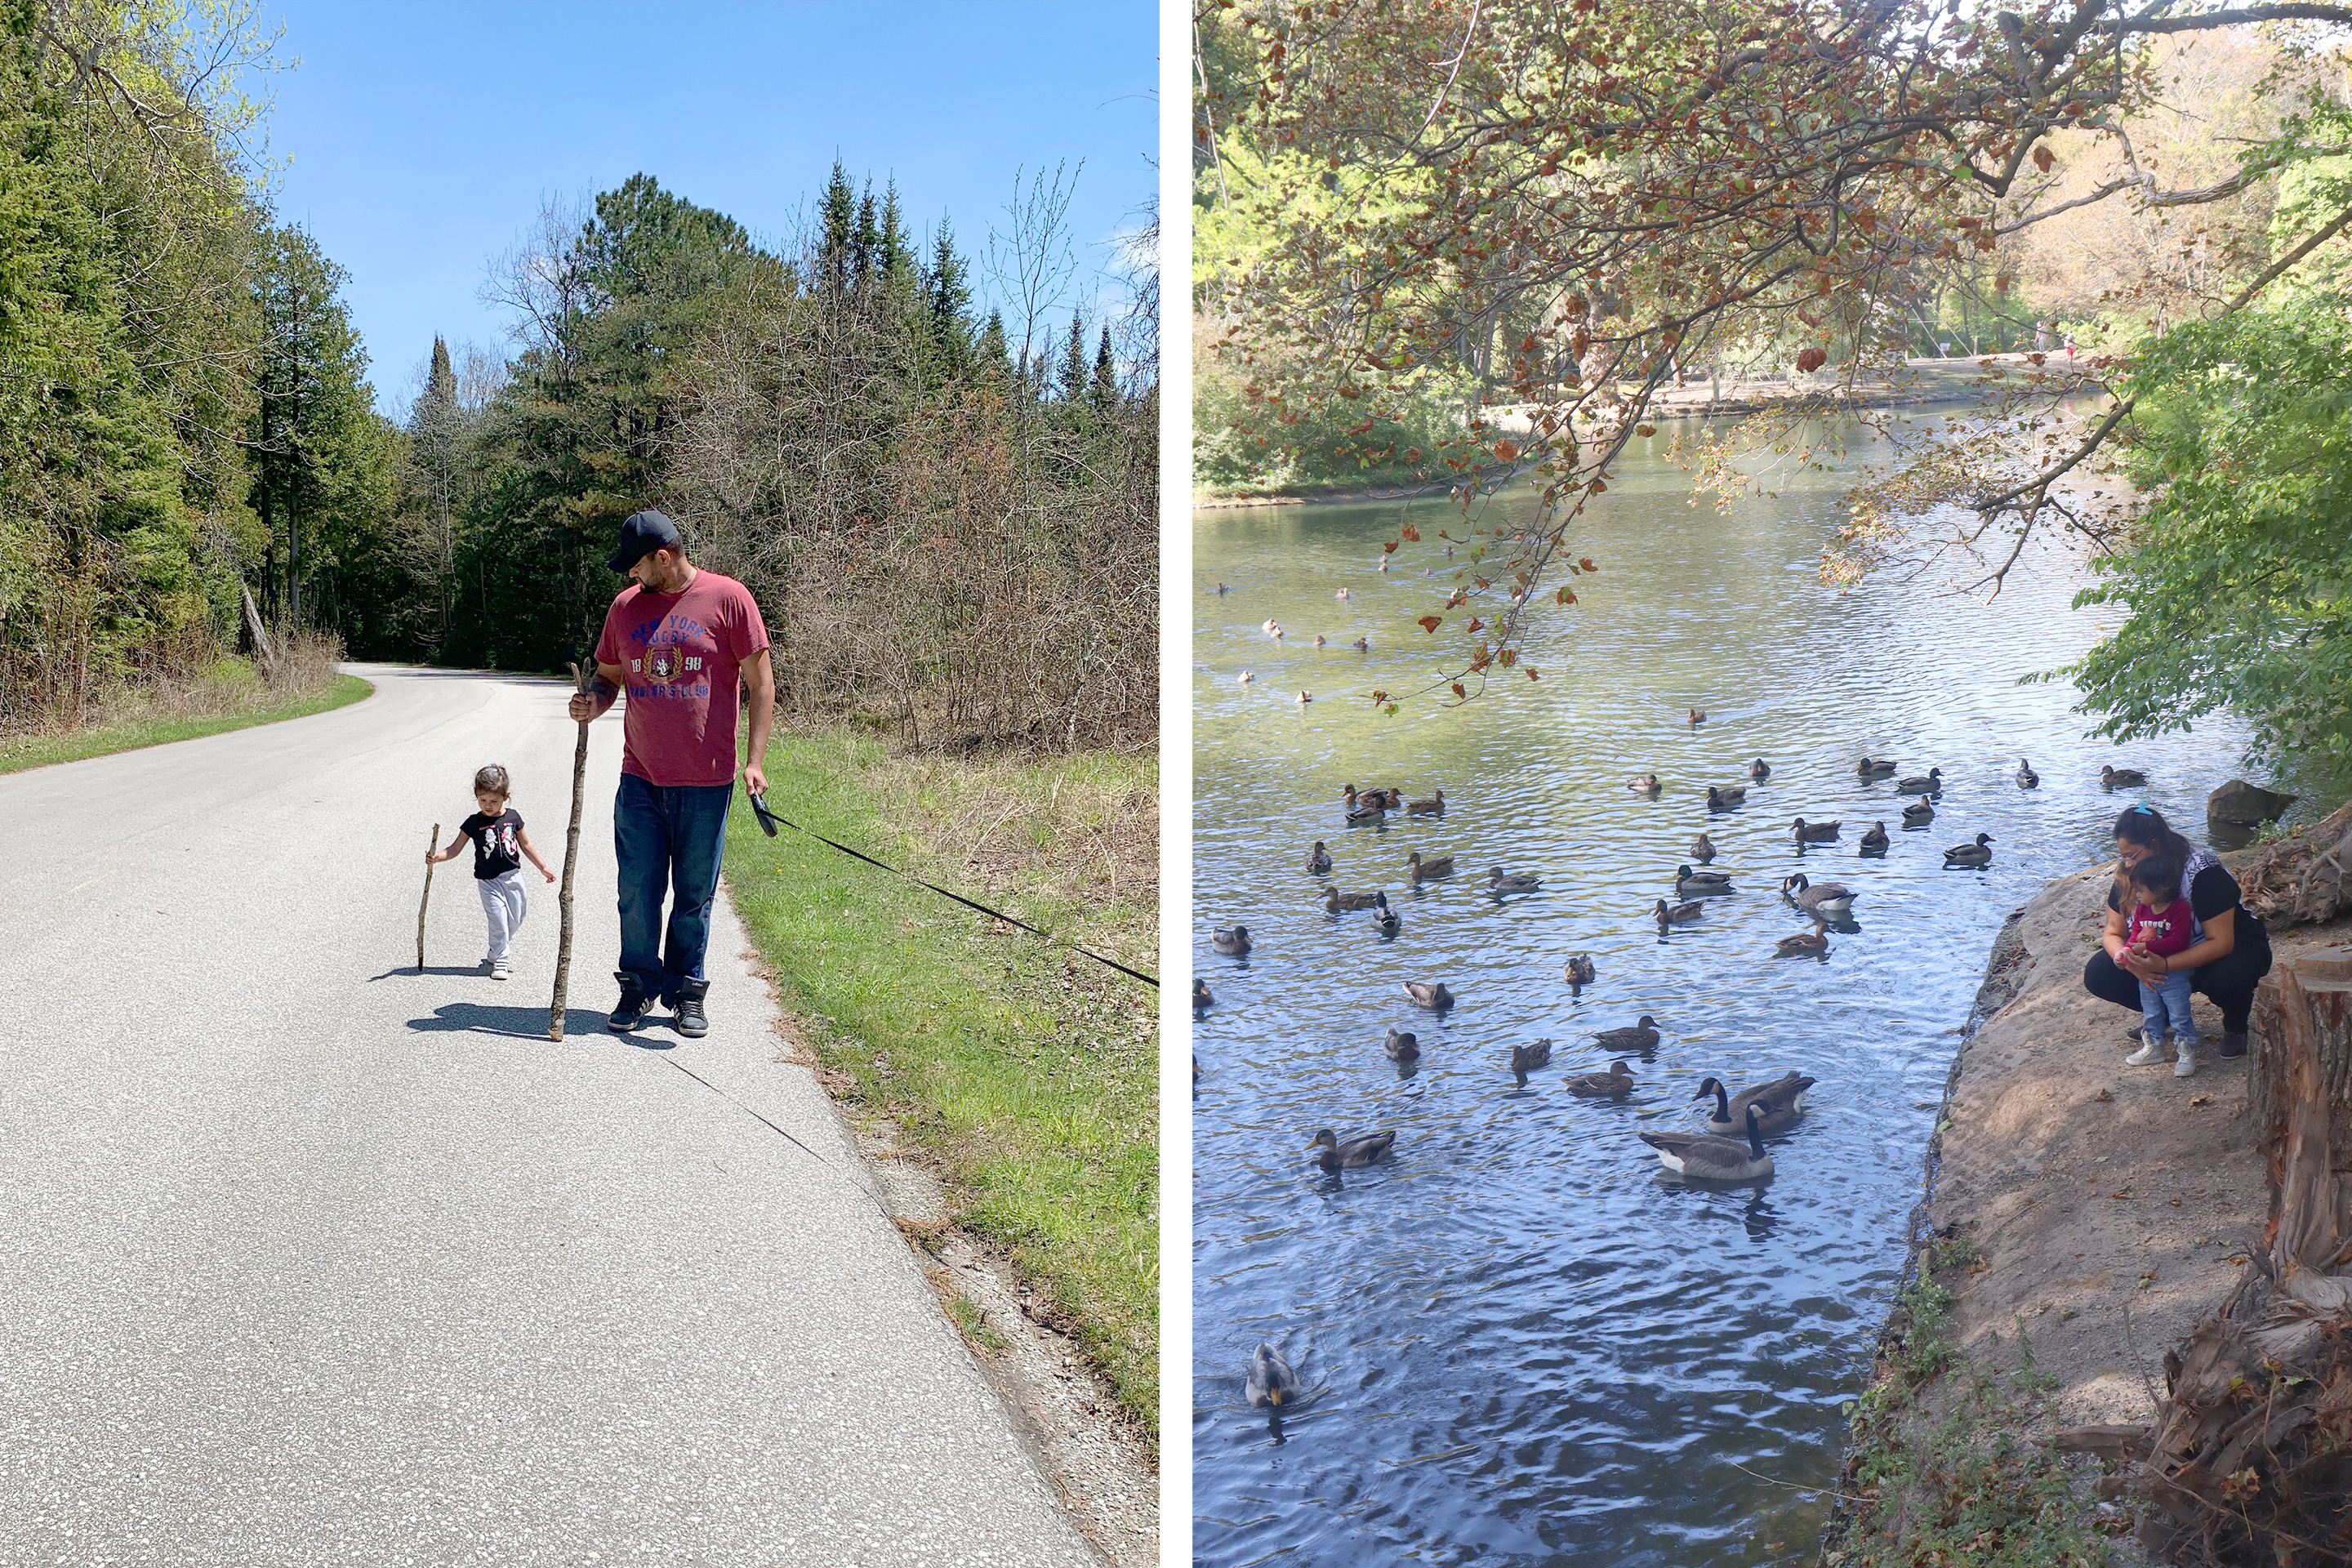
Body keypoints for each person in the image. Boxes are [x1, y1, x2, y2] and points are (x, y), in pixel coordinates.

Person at [568, 510, 775, 1037]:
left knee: (694, 893)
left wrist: (753, 761)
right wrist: (592, 702)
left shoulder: (729, 600)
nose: (630, 578)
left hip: (706, 785)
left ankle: (686, 991)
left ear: (665, 557)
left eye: (637, 567)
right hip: (640, 780)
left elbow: (762, 683)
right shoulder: (623, 610)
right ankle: (637, 987)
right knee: (636, 889)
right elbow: (610, 678)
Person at [2082, 804, 2273, 1059]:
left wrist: (2166, 964)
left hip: (2223, 948)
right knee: (2099, 974)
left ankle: (2236, 1025)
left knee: (2229, 975)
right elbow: (2112, 933)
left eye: (2132, 855)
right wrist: (2127, 962)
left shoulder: (2204, 872)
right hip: (2161, 950)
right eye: (2122, 857)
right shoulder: (2130, 875)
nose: (2126, 864)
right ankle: (2162, 1017)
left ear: (2155, 846)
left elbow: (2221, 943)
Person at [425, 764, 555, 980]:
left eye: (494, 801)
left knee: (516, 918)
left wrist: (543, 867)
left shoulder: (513, 818)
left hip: (512, 877)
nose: (488, 805)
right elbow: (454, 849)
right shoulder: (474, 822)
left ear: (506, 797)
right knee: (498, 920)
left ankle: (496, 949)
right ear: (477, 796)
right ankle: (501, 961)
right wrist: (436, 857)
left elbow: (526, 845)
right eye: (483, 800)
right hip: (488, 882)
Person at [2119, 849, 2199, 1076]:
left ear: (2161, 888)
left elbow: (2178, 941)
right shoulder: (2143, 909)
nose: (2137, 895)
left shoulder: (2179, 909)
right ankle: (2154, 1045)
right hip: (2147, 971)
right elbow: (2135, 933)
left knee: (2178, 1013)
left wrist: (2145, 948)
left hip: (2173, 972)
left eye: (2141, 890)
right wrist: (2127, 951)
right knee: (2151, 1011)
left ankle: (2186, 1049)